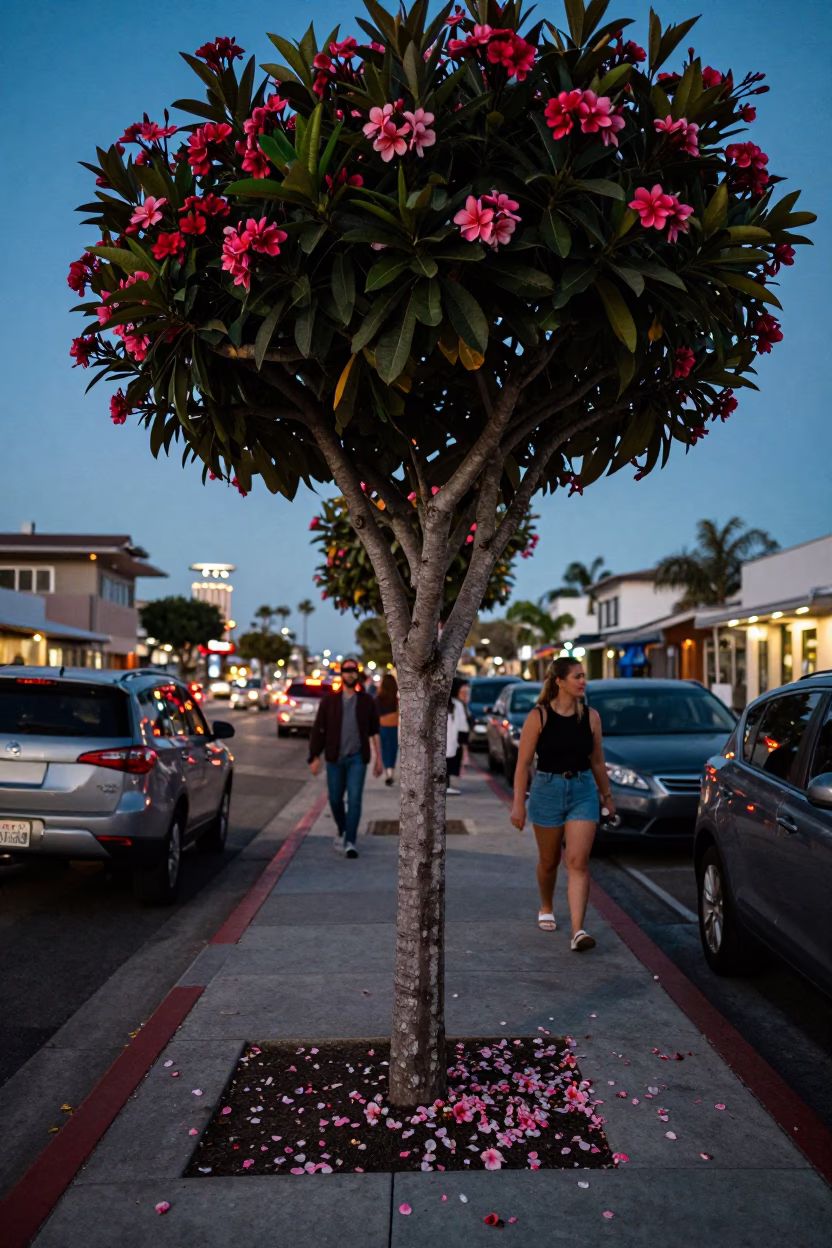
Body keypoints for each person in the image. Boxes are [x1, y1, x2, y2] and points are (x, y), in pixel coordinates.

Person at [510, 657, 615, 951]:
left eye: (584, 676)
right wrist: (518, 804)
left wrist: (607, 796)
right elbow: (522, 764)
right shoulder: (539, 717)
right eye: (577, 676)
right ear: (559, 681)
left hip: (583, 790)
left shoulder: (591, 716)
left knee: (578, 862)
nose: (582, 681)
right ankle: (546, 905)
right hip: (547, 791)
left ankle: (579, 931)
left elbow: (596, 760)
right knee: (549, 861)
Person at [308, 657, 382, 858]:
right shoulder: (329, 701)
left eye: (353, 670)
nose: (350, 674)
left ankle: (350, 841)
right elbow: (318, 730)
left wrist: (379, 760)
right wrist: (314, 756)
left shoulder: (366, 701)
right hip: (334, 759)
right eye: (346, 670)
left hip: (357, 759)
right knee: (334, 799)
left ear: (357, 674)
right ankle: (342, 827)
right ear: (341, 674)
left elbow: (375, 731)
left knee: (355, 800)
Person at [375, 673, 400, 786]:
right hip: (394, 727)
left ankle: (388, 773)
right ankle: (391, 772)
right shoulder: (396, 700)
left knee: (384, 750)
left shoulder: (379, 698)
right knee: (393, 750)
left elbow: (375, 714)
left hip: (382, 727)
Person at [446, 677, 470, 796]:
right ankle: (452, 785)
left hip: (442, 742)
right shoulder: (457, 705)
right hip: (454, 742)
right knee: (453, 762)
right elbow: (463, 727)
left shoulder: (440, 704)